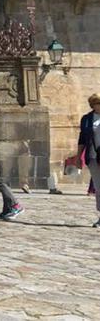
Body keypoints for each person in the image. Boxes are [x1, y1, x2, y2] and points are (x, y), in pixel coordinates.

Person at [76, 93, 100, 228]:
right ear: (93, 105)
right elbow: (82, 139)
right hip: (93, 156)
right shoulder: (86, 119)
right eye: (98, 104)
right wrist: (79, 156)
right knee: (98, 188)